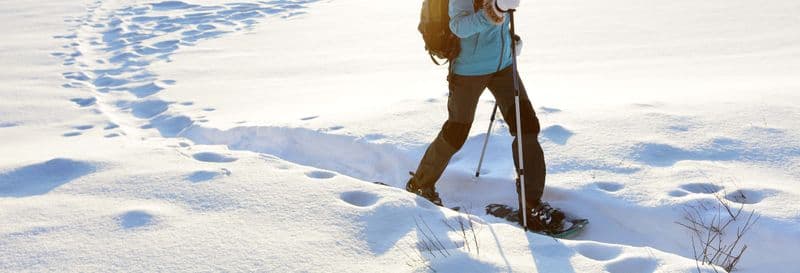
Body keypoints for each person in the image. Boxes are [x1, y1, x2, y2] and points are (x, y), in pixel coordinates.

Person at [406, 0, 565, 232]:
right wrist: (496, 10)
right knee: (456, 132)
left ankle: (531, 205)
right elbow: (458, 27)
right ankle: (421, 184)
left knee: (526, 127)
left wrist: (508, 39)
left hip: (504, 66)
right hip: (469, 69)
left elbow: (502, 19)